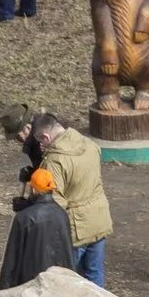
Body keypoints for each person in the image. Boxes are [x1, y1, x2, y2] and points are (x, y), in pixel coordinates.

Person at [36, 114, 113, 286]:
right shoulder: (89, 144)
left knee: (69, 278)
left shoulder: (55, 161)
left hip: (76, 228)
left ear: (46, 137)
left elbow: (55, 201)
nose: (42, 146)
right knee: (95, 274)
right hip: (99, 218)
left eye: (42, 142)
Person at [0, 166, 76, 289]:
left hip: (31, 281)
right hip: (58, 280)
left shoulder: (24, 218)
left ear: (32, 189)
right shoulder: (62, 214)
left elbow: (12, 258)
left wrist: (3, 288)